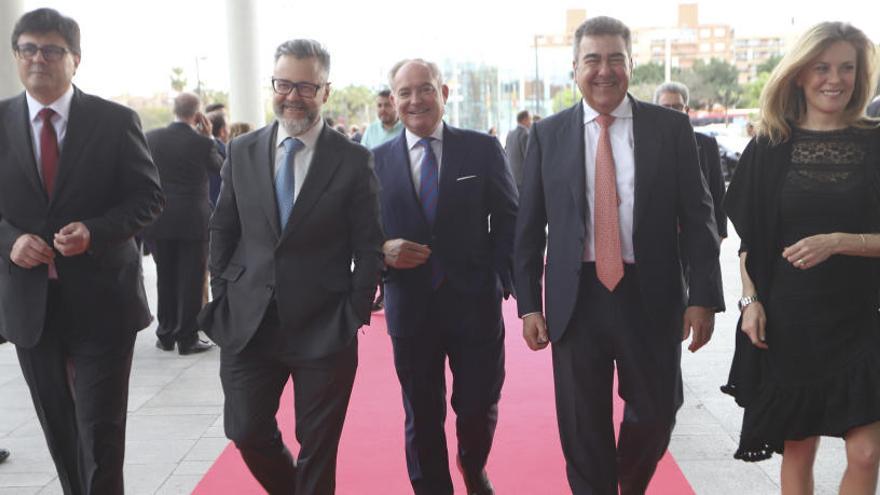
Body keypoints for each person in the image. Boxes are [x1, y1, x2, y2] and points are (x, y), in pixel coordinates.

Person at [514, 16, 724, 494]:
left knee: (656, 413)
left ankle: (627, 485)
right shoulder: (547, 135)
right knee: (581, 424)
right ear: (575, 68)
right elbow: (527, 230)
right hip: (576, 300)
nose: (603, 71)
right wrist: (528, 304)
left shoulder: (670, 129)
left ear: (631, 64)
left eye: (614, 59)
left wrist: (704, 296)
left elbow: (699, 218)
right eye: (593, 60)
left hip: (650, 294)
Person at [198, 39, 383, 494]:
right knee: (244, 430)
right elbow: (224, 228)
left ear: (325, 91)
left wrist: (355, 309)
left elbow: (370, 244)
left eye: (305, 86)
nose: (292, 95)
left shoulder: (353, 159)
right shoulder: (241, 150)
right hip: (249, 323)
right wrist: (223, 291)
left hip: (324, 324)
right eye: (284, 84)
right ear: (273, 85)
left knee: (318, 444)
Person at [0, 8, 163, 494]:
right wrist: (11, 240)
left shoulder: (113, 121)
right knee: (60, 427)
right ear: (15, 56)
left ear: (76, 60)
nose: (38, 59)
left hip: (102, 300)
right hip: (32, 306)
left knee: (100, 429)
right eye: (27, 49)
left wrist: (95, 230)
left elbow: (149, 198)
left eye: (51, 50)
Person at [722, 21, 880, 494]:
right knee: (799, 447)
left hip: (863, 317)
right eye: (823, 67)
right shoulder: (770, 146)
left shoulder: (876, 142)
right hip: (792, 319)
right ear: (798, 74)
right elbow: (752, 243)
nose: (835, 79)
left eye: (847, 68)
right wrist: (751, 303)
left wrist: (839, 241)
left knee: (867, 452)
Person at [373, 58, 517, 495]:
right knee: (421, 413)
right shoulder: (372, 162)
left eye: (425, 89)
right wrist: (383, 252)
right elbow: (356, 233)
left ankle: (473, 466)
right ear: (393, 101)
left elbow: (510, 218)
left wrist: (498, 276)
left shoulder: (481, 149)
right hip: (410, 308)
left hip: (474, 303)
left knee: (477, 406)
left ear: (444, 93)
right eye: (405, 92)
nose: (416, 99)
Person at [143, 92, 222, 355]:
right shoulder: (201, 143)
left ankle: (165, 333)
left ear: (174, 111)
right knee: (191, 279)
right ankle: (186, 337)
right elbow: (221, 169)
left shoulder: (151, 138)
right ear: (198, 115)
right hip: (192, 220)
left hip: (159, 217)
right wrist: (209, 137)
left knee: (165, 277)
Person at [654, 82, 727, 241]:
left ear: (686, 111)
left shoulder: (707, 144)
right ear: (655, 110)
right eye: (666, 107)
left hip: (699, 235)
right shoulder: (644, 145)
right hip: (658, 236)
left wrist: (720, 233)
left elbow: (718, 189)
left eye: (677, 107)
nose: (672, 113)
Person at [504, 109, 531, 190]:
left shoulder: (510, 134)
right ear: (525, 120)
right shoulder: (525, 133)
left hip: (511, 177)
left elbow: (506, 152)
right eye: (530, 119)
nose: (531, 122)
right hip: (523, 179)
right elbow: (528, 157)